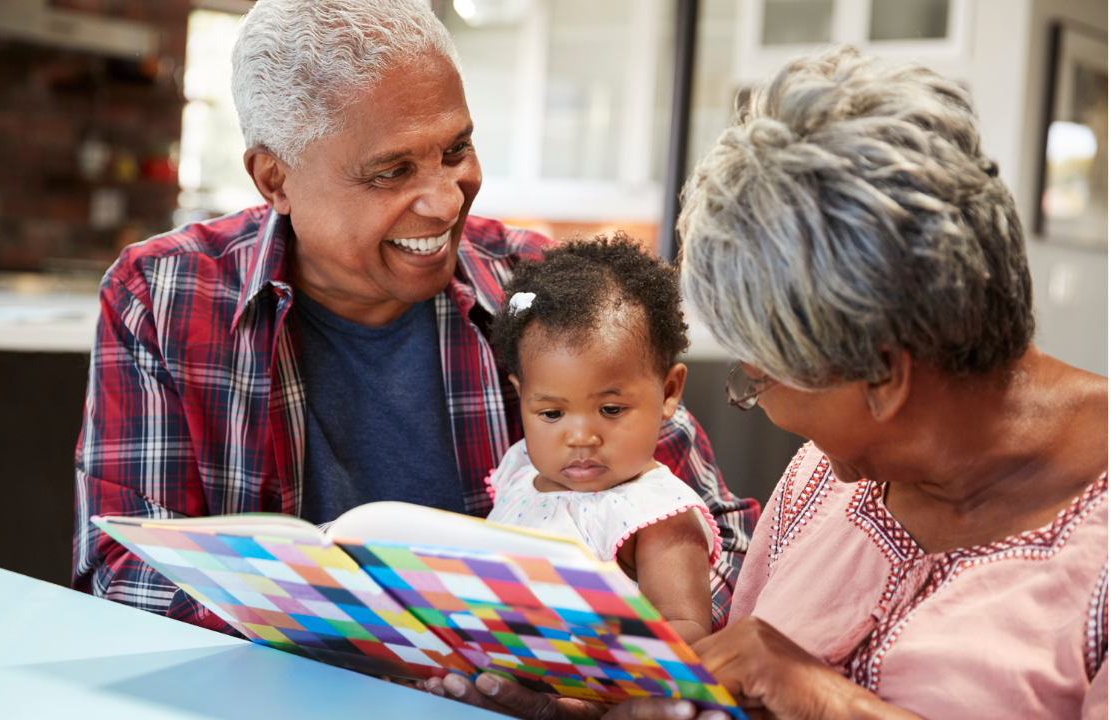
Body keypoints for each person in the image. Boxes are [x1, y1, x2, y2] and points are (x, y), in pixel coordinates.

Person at [423, 46, 1107, 720]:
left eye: (757, 379)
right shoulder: (819, 482)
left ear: (883, 375)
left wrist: (828, 701)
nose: (752, 399)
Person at [72, 0, 758, 636]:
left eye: (455, 150)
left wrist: (647, 632)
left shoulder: (547, 292)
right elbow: (125, 574)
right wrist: (369, 635)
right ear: (275, 180)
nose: (442, 200)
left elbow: (726, 544)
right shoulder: (162, 296)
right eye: (390, 172)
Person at [485, 236, 723, 645]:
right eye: (552, 414)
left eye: (611, 410)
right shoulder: (520, 473)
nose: (581, 437)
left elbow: (687, 631)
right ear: (520, 396)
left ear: (668, 392)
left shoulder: (656, 514)